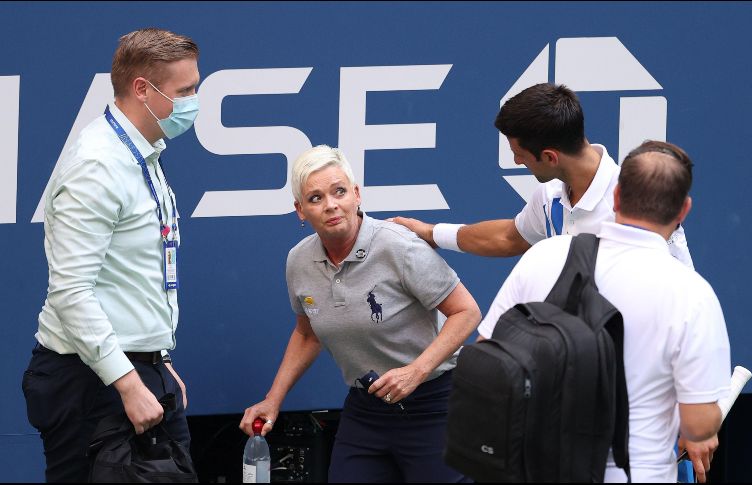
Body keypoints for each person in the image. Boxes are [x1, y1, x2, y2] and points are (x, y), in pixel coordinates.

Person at [478, 140, 731, 482]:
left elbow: (486, 358)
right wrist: (707, 410)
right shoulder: (693, 294)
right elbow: (698, 424)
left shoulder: (544, 255)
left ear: (616, 197)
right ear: (683, 210)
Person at [239, 145, 481, 483]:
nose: (331, 205)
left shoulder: (399, 246)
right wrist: (273, 399)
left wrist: (414, 371)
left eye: (339, 191)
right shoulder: (298, 261)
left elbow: (466, 312)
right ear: (300, 211)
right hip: (366, 410)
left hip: (434, 403)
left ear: (356, 194)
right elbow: (308, 334)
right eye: (315, 198)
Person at [21, 28, 200, 482]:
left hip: (139, 369)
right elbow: (71, 291)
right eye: (186, 91)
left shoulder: (143, 153)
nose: (194, 102)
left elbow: (129, 276)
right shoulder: (97, 165)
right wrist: (126, 380)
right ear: (142, 89)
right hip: (91, 385)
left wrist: (156, 359)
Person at [392, 83, 694, 289]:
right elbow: (510, 237)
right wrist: (432, 233)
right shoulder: (549, 197)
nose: (516, 160)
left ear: (550, 156)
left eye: (520, 154)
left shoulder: (635, 209)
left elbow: (676, 304)